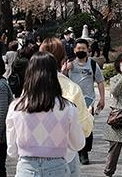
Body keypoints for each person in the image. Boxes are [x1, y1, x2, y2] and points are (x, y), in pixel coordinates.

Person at [7, 52, 86, 177]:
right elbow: (78, 144)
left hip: (26, 168)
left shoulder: (16, 107)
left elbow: (12, 150)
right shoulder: (68, 108)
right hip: (57, 167)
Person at [40, 37, 94, 177]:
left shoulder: (30, 88)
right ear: (63, 60)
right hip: (64, 156)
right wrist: (89, 116)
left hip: (31, 160)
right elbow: (84, 131)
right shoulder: (71, 89)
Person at [64, 38, 106, 165]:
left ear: (88, 50)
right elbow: (61, 79)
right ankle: (75, 151)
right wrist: (65, 69)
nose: (81, 51)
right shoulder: (70, 64)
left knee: (87, 126)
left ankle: (84, 152)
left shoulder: (93, 65)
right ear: (74, 50)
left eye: (83, 49)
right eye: (78, 49)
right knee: (71, 126)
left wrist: (102, 99)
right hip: (71, 100)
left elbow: (100, 81)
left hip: (88, 101)